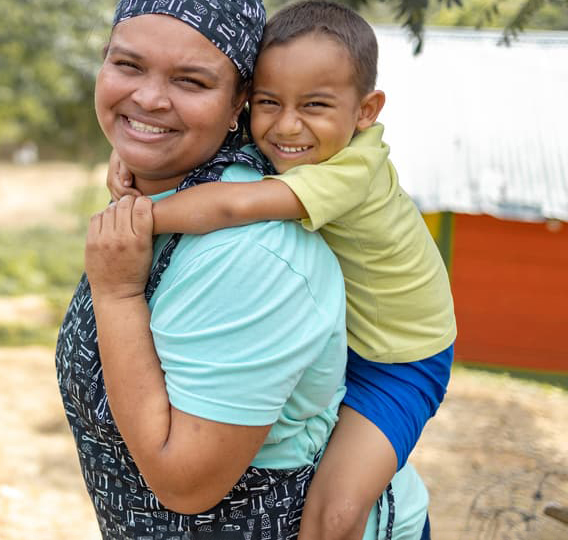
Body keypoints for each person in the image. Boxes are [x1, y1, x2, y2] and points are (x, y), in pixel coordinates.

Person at [55, 0, 429, 538]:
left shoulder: (255, 250)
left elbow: (185, 484)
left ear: (238, 105)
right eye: (128, 65)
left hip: (409, 357)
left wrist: (117, 292)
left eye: (191, 81)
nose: (149, 97)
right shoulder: (173, 186)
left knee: (337, 514)